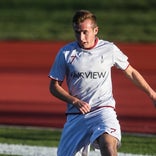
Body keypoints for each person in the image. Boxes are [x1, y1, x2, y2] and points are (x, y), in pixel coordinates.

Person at [48, 10, 156, 156]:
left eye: (85, 32)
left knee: (108, 146)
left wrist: (152, 94)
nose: (81, 37)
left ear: (95, 30)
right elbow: (54, 86)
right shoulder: (66, 53)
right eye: (77, 32)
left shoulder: (109, 49)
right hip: (76, 114)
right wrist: (74, 101)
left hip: (103, 111)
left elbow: (130, 72)